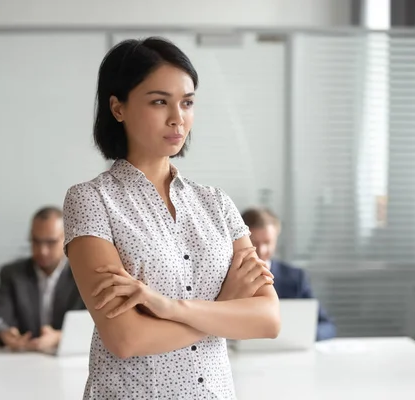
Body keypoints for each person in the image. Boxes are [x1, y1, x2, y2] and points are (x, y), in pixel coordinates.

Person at [62, 37, 280, 399]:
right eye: (159, 101)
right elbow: (127, 338)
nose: (178, 118)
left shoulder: (217, 204)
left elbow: (268, 320)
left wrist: (169, 308)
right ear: (118, 108)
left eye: (188, 102)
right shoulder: (90, 200)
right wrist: (225, 308)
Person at [0, 206, 85, 353]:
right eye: (36, 242)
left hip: (69, 361)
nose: (42, 251)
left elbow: (96, 327)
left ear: (67, 239)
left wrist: (60, 337)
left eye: (51, 242)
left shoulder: (82, 274)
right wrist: (5, 335)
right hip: (23, 360)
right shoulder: (12, 274)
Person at [241, 207, 337, 341]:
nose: (262, 250)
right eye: (254, 243)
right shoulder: (226, 278)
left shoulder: (295, 277)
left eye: (267, 242)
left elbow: (327, 326)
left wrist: (302, 336)